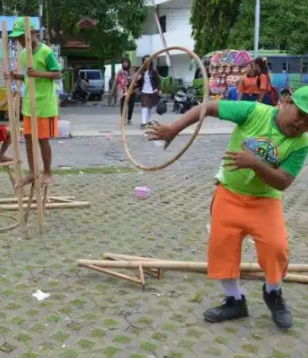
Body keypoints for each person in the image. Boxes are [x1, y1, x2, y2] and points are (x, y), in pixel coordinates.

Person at [147, 87, 308, 330]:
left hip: (266, 201)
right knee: (222, 247)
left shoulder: (300, 144)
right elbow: (209, 107)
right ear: (287, 102)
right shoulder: (254, 112)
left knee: (276, 247)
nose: (301, 124)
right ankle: (235, 301)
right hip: (229, 195)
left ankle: (273, 293)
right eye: (301, 114)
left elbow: (284, 181)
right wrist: (174, 129)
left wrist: (255, 164)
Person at [8, 17, 62, 187]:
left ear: (32, 34)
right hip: (29, 106)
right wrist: (15, 76)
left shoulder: (46, 52)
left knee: (43, 140)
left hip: (45, 104)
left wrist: (38, 73)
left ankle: (47, 172)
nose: (20, 41)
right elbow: (27, 77)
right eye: (17, 38)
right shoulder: (24, 55)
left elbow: (57, 74)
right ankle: (32, 172)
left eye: (22, 37)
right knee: (29, 138)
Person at [136, 56, 161, 128]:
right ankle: (143, 122)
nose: (147, 62)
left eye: (148, 60)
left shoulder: (154, 70)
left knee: (150, 106)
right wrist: (138, 78)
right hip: (144, 90)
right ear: (143, 62)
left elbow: (158, 81)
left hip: (153, 90)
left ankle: (149, 120)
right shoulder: (141, 70)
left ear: (151, 61)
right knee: (144, 106)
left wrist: (159, 89)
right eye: (145, 60)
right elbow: (137, 80)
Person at [116, 58, 136, 124]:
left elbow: (134, 79)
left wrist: (129, 78)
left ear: (129, 63)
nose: (125, 64)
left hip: (131, 91)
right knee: (123, 105)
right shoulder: (120, 72)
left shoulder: (132, 71)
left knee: (131, 106)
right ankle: (123, 119)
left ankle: (129, 119)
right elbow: (117, 80)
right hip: (123, 91)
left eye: (126, 62)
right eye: (124, 62)